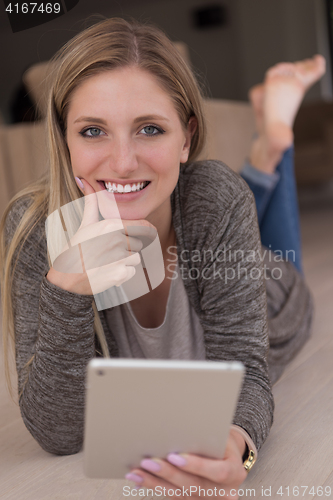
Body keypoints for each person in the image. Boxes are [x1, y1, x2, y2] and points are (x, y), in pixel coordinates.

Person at [0, 17, 323, 497]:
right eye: (93, 131)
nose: (123, 161)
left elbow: (247, 371)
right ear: (65, 140)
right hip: (203, 213)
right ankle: (266, 149)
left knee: (268, 249)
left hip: (272, 290)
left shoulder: (212, 198)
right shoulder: (34, 229)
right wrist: (65, 289)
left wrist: (238, 446)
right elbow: (60, 433)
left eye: (149, 128)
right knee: (218, 200)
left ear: (186, 136)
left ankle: (273, 144)